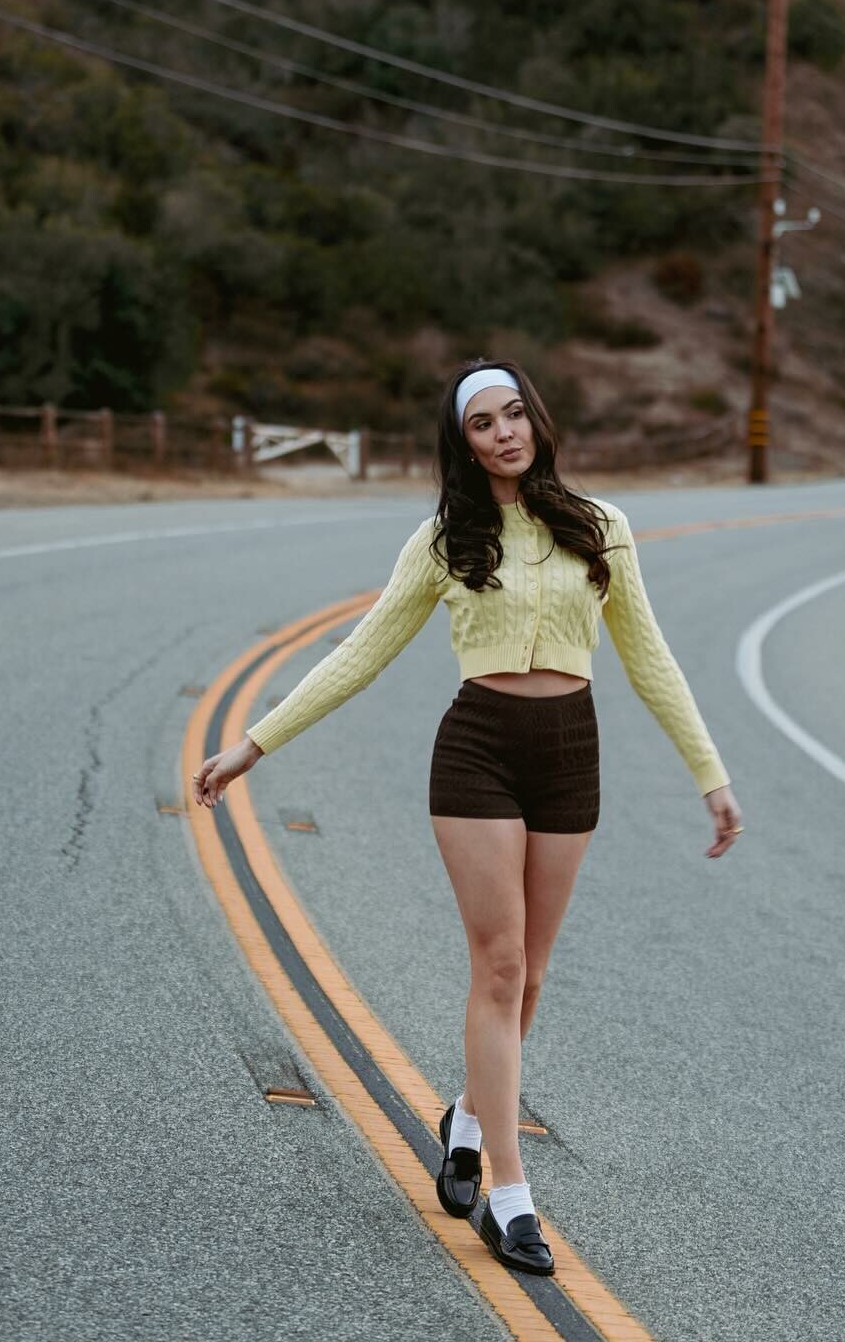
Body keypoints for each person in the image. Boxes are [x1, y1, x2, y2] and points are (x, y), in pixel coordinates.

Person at [191, 358, 743, 1277]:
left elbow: (650, 657)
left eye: (513, 413)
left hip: (569, 755)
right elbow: (362, 652)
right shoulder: (445, 539)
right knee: (500, 963)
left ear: (537, 420)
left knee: (532, 976)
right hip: (478, 752)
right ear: (465, 444)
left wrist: (709, 774)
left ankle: (468, 1119)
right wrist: (256, 742)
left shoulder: (601, 527)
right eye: (482, 424)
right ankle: (510, 1196)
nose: (504, 433)